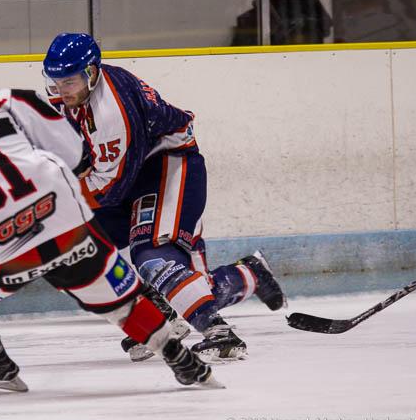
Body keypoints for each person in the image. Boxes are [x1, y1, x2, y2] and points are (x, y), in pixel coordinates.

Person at [0, 51, 223, 392]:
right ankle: (181, 359)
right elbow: (73, 153)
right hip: (66, 227)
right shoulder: (10, 100)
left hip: (4, 250)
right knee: (119, 301)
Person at [41, 33, 287, 362]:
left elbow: (109, 188)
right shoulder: (72, 92)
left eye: (69, 81)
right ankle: (237, 280)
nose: (61, 89)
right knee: (87, 246)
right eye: (56, 81)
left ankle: (219, 333)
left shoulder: (111, 112)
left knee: (153, 257)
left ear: (91, 72)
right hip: (133, 170)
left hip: (168, 166)